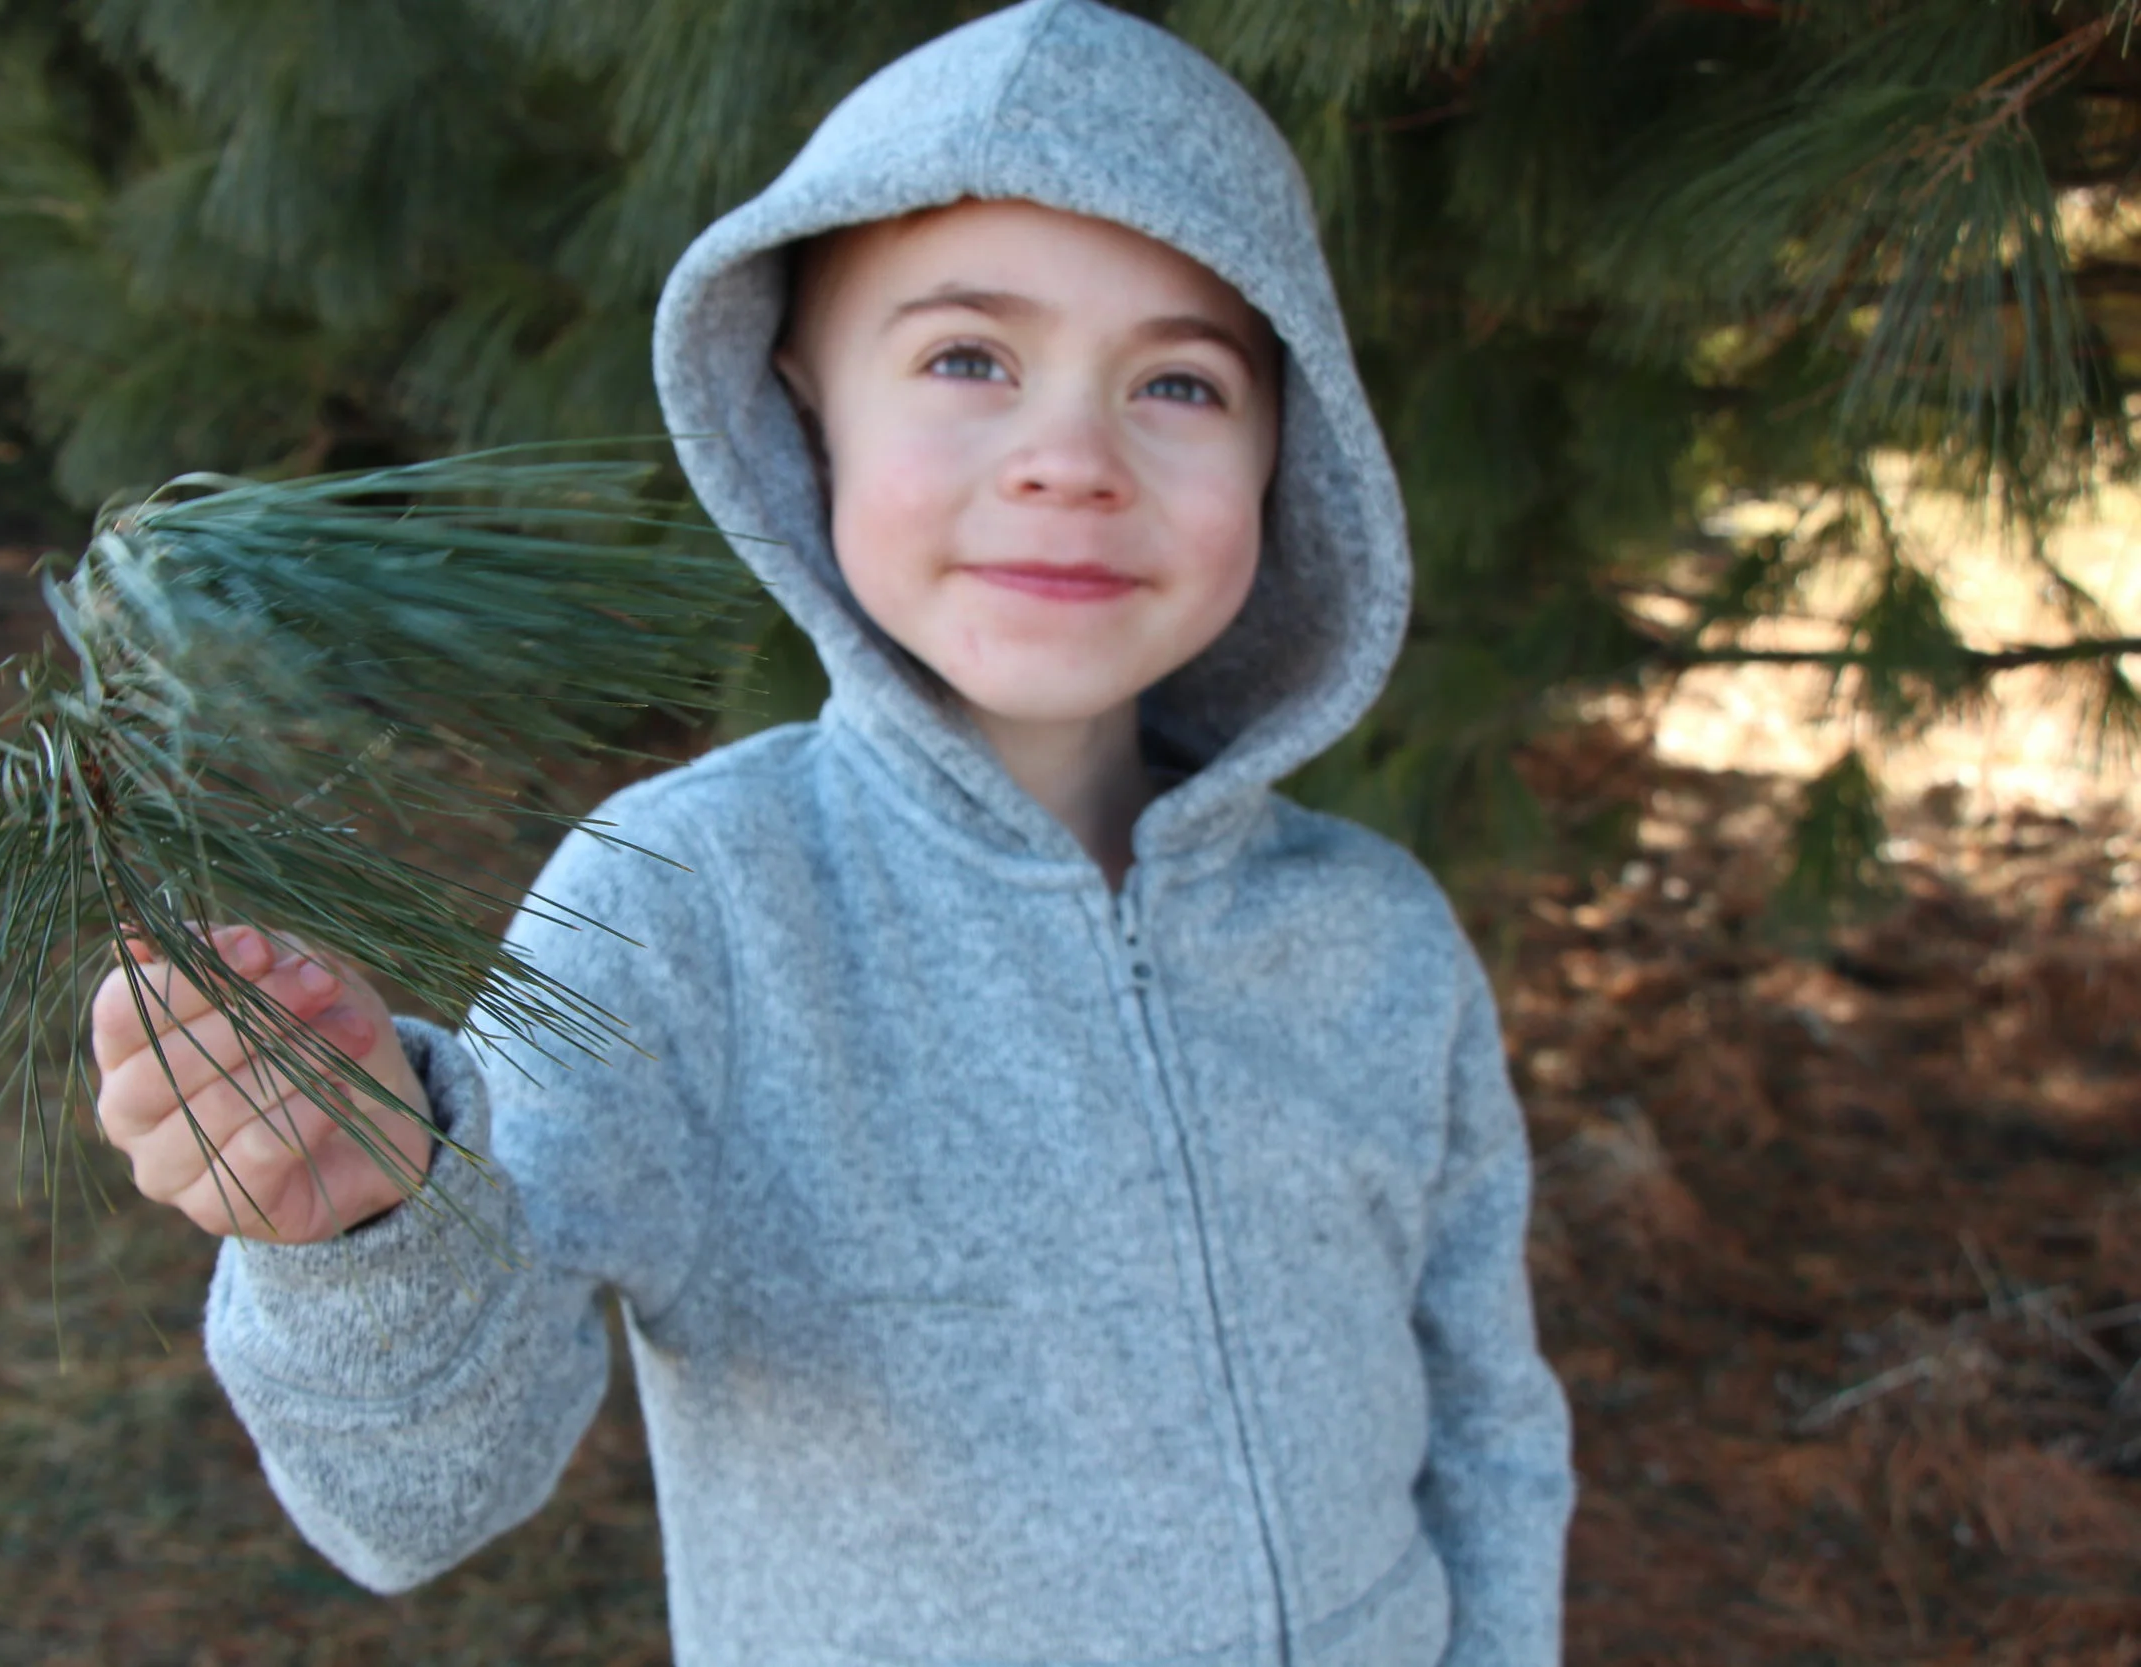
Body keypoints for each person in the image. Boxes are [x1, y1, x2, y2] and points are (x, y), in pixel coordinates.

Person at [89, 2, 1577, 1661]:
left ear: (1291, 450)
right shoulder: (690, 906)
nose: (1071, 458)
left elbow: (1495, 1426)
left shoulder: (1376, 932)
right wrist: (362, 1224)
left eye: (1179, 379)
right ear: (801, 409)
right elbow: (417, 1501)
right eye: (967, 359)